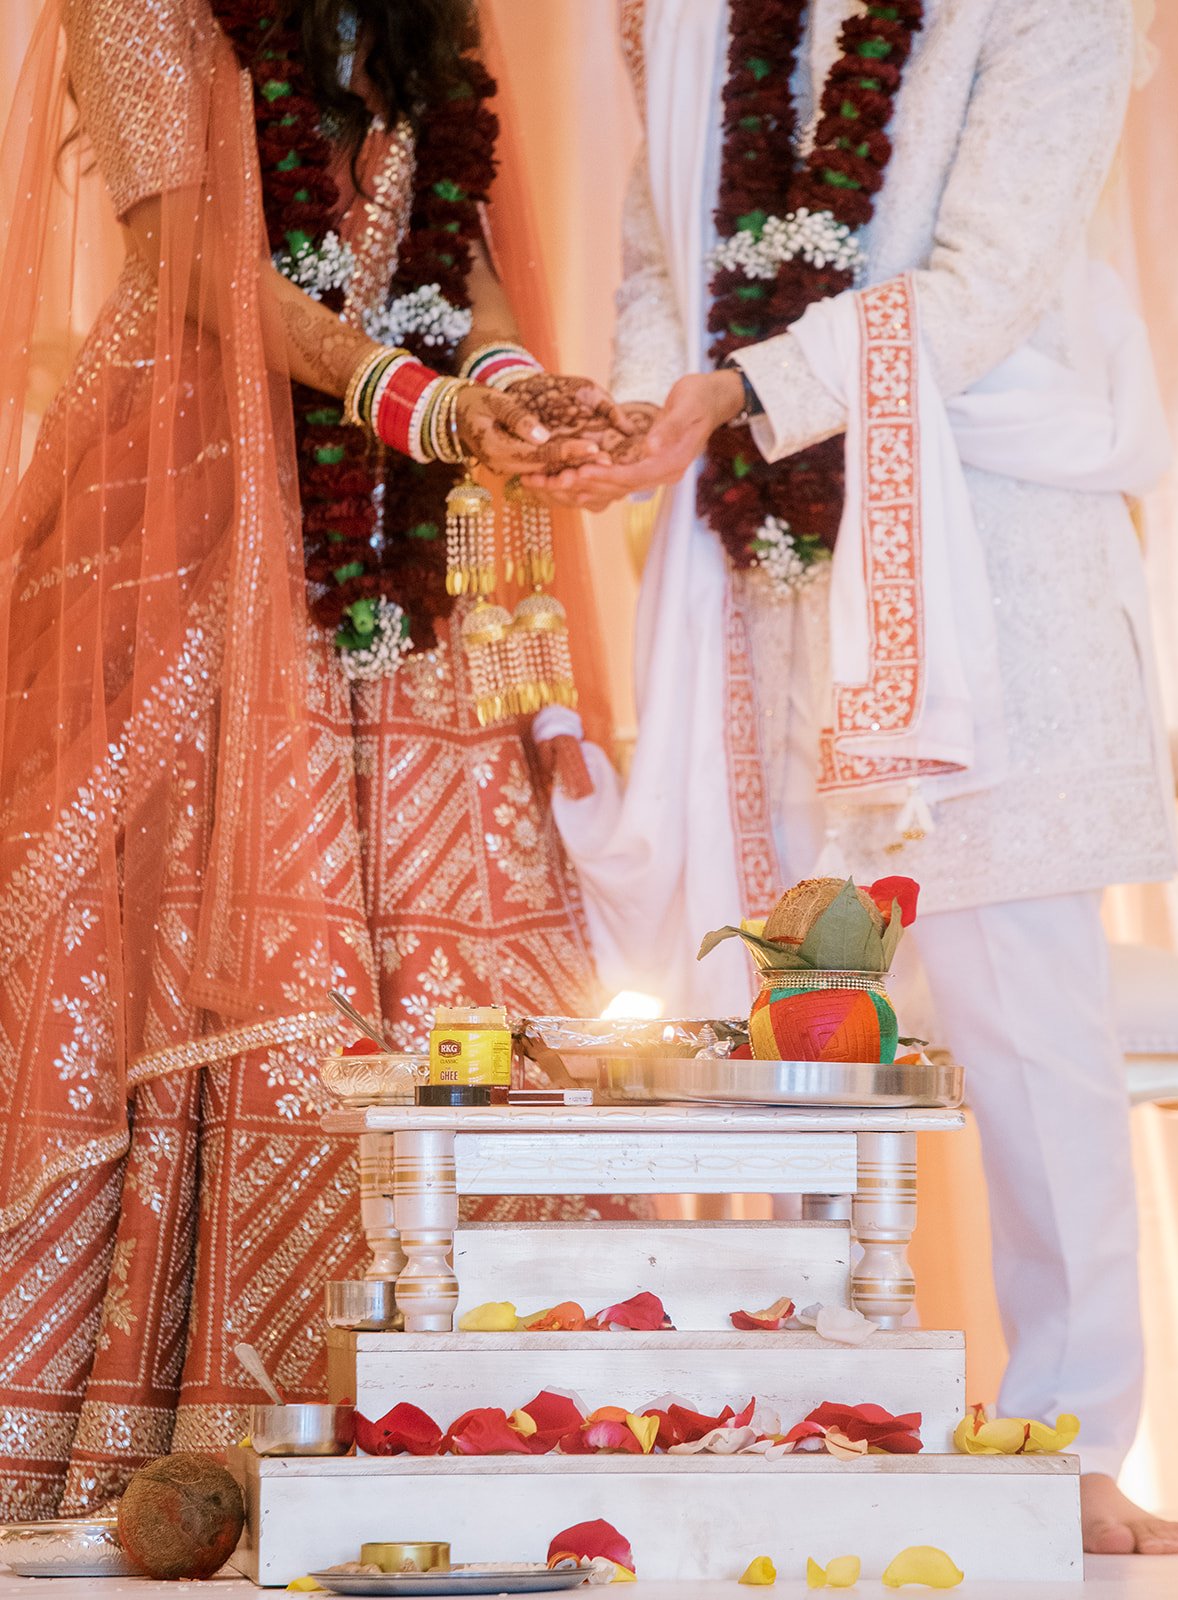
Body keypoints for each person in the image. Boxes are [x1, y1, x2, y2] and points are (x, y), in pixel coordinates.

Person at [526, 0, 1178, 1558]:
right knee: (780, 1013)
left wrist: (733, 394)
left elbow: (985, 284)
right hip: (767, 565)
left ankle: (1074, 1443)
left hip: (993, 550)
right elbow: (658, 262)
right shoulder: (686, 16)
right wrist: (641, 405)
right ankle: (796, 1413)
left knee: (1026, 1015)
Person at [0, 0, 637, 1519]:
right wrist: (420, 403)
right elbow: (196, 261)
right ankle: (201, 1428)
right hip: (192, 535)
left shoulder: (416, 13)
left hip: (400, 561)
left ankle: (482, 1420)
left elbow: (458, 247)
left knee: (459, 962)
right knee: (204, 959)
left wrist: (511, 382)